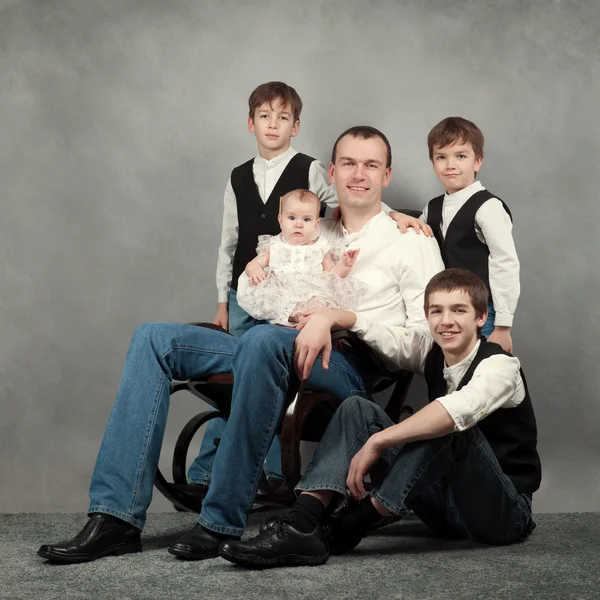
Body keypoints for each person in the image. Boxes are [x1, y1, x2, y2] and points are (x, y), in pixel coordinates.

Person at [37, 125, 444, 564]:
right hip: (268, 344)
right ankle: (115, 519)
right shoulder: (306, 228)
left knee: (264, 340)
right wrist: (256, 275)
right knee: (153, 338)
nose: (358, 174)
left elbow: (424, 345)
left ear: (387, 174)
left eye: (371, 165)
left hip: (345, 363)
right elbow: (257, 293)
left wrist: (340, 318)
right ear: (331, 171)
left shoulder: (410, 239)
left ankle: (218, 520)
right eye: (348, 163)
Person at [218, 268, 541, 569]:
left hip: (502, 514)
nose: (446, 321)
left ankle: (349, 526)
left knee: (452, 424)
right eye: (436, 311)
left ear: (481, 317)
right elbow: (379, 333)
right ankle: (303, 524)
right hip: (443, 509)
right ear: (427, 316)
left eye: (459, 310)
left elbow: (456, 410)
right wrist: (329, 317)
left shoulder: (501, 367)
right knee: (357, 407)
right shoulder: (429, 349)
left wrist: (380, 439)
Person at [194, 81, 413, 488]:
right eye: (264, 117)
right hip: (247, 294)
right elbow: (228, 240)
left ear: (295, 126)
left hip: (293, 294)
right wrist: (222, 299)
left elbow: (354, 196)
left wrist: (394, 215)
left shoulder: (310, 168)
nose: (272, 125)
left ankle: (272, 471)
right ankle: (208, 469)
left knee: (267, 373)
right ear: (250, 123)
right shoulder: (238, 176)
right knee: (237, 379)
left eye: (282, 118)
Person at [395, 117, 520, 353]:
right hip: (446, 310)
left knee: (483, 369)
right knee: (453, 370)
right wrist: (393, 215)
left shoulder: (488, 207)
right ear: (433, 163)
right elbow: (414, 235)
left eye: (460, 156)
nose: (450, 165)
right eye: (442, 157)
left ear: (477, 161)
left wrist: (503, 326)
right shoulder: (432, 207)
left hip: (482, 311)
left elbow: (506, 263)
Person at [237, 189, 366, 326]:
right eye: (291, 218)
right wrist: (255, 269)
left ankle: (306, 319)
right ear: (280, 221)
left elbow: (332, 275)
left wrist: (345, 265)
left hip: (309, 292)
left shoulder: (320, 246)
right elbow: (253, 264)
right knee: (273, 300)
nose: (299, 224)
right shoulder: (274, 244)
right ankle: (292, 318)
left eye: (306, 219)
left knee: (319, 303)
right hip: (281, 290)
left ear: (316, 225)